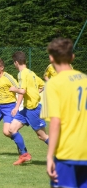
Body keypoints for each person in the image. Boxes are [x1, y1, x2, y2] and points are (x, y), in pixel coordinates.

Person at [41, 38, 87, 187]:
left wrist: (49, 157)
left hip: (67, 153)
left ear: (51, 58)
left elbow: (56, 121)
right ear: (72, 57)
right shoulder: (85, 80)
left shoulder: (53, 84)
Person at [9, 51, 49, 165]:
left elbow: (22, 91)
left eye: (14, 63)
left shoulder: (22, 74)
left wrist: (14, 90)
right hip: (27, 109)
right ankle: (25, 155)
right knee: (12, 129)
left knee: (42, 136)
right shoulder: (31, 73)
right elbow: (43, 85)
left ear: (16, 62)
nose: (14, 65)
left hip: (33, 109)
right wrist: (34, 93)